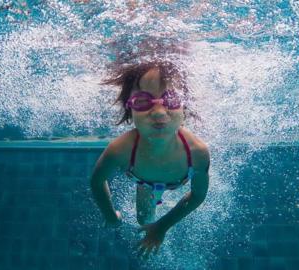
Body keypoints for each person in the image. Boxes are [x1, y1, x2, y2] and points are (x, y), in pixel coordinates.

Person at [90, 58, 210, 258]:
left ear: (184, 107)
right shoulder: (120, 149)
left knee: (153, 226)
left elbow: (197, 195)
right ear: (130, 109)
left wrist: (162, 227)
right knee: (143, 220)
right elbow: (96, 181)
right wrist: (110, 216)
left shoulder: (197, 151)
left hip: (174, 179)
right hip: (144, 183)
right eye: (143, 102)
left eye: (171, 99)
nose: (159, 112)